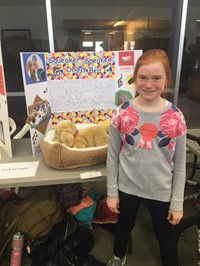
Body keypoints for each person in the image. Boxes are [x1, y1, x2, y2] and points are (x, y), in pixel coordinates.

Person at [106, 49, 187, 266]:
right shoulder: (121, 113)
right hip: (128, 186)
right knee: (122, 229)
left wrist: (177, 203)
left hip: (161, 190)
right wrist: (112, 193)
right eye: (143, 77)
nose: (149, 84)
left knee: (165, 236)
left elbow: (180, 164)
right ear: (135, 78)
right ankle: (118, 256)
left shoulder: (176, 117)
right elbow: (113, 156)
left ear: (167, 79)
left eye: (156, 78)